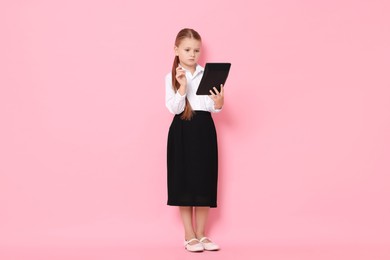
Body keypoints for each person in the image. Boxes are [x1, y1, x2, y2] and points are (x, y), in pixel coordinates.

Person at [165, 28, 224, 252]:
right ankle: (189, 235)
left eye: (196, 50)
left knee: (204, 180)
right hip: (182, 130)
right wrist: (182, 87)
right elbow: (173, 108)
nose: (192, 54)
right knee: (184, 181)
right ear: (176, 50)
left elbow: (211, 107)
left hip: (205, 129)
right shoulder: (170, 77)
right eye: (187, 49)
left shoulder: (206, 75)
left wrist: (219, 102)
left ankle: (202, 233)